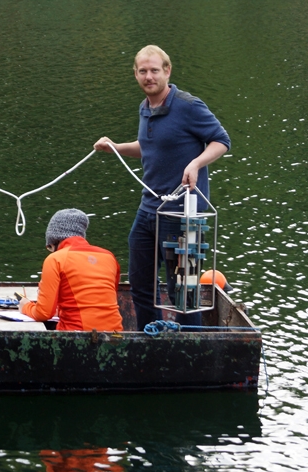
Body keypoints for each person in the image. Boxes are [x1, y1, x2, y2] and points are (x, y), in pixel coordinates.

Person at [93, 45, 230, 330]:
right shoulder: (146, 107)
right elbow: (148, 147)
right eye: (142, 71)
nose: (149, 76)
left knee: (184, 293)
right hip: (149, 209)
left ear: (167, 71)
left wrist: (195, 163)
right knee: (141, 285)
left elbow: (221, 140)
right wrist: (116, 148)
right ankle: (151, 340)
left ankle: (190, 352)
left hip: (183, 214)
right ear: (135, 74)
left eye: (154, 70)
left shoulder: (188, 106)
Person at [19, 209, 123, 332]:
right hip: (116, 334)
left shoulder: (55, 259)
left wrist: (26, 306)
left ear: (53, 241)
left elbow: (43, 314)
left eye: (49, 247)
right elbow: (100, 299)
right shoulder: (109, 256)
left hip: (77, 337)